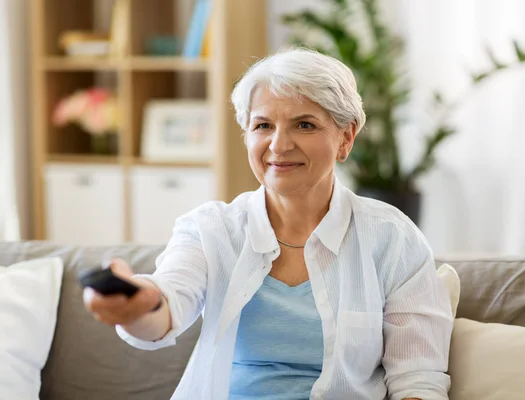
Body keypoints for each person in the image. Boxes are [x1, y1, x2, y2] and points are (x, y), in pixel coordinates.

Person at [83, 48, 453, 400]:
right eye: (263, 125)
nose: (278, 145)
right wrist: (139, 305)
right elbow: (167, 305)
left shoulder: (392, 237)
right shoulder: (210, 228)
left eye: (304, 124)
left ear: (346, 137)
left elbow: (417, 376)